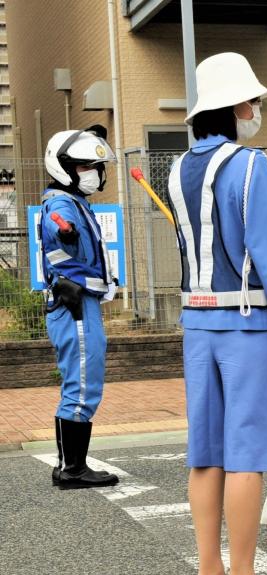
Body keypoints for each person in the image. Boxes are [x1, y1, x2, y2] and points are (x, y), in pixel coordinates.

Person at [168, 53, 267, 575]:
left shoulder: (179, 170)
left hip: (196, 325)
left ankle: (208, 572)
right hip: (249, 325)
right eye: (251, 101)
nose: (255, 110)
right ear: (232, 108)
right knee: (248, 453)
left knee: (206, 453)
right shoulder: (250, 165)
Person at [39, 125, 119, 490]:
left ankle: (71, 465)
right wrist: (65, 229)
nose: (94, 173)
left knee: (83, 380)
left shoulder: (75, 202)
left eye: (95, 167)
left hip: (78, 301)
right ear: (64, 168)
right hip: (74, 304)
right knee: (83, 383)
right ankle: (72, 469)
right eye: (86, 166)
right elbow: (59, 227)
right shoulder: (61, 204)